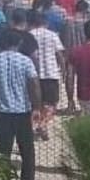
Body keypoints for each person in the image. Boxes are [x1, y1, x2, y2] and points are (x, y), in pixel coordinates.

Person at [0, 29, 41, 180]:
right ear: (18, 43)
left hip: (2, 110)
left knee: (3, 149)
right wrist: (36, 106)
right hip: (22, 110)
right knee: (27, 148)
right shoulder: (25, 61)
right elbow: (34, 84)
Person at [27, 11, 64, 141]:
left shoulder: (29, 35)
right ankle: (43, 124)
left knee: (35, 104)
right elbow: (59, 54)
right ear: (46, 23)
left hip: (34, 74)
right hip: (51, 73)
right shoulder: (52, 35)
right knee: (52, 104)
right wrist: (63, 69)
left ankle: (32, 126)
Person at [60, 0, 90, 113]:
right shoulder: (86, 22)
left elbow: (62, 37)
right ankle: (83, 102)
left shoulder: (67, 21)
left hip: (69, 51)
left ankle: (70, 102)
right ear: (85, 10)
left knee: (69, 78)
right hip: (83, 52)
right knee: (84, 78)